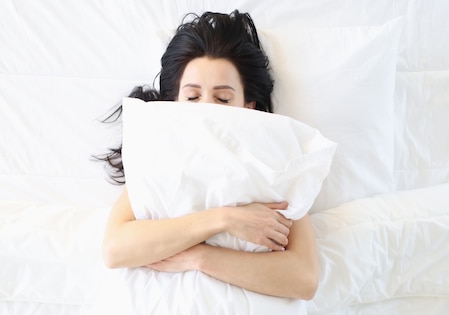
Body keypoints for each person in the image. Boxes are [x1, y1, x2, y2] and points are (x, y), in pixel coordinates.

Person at [100, 10, 319, 300]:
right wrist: (224, 219)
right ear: (174, 103)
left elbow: (305, 278)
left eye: (223, 98)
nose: (206, 107)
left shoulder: (274, 164)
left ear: (248, 106)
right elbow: (115, 249)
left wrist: (199, 258)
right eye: (193, 97)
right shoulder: (159, 159)